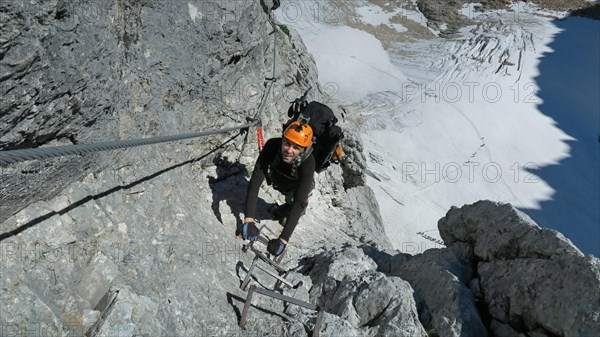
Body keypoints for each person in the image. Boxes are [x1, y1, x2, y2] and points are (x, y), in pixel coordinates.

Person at [237, 121, 315, 256]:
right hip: (278, 178)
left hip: (295, 187)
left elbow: (299, 201)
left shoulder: (308, 162)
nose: (289, 150)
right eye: (287, 143)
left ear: (303, 150)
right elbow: (255, 181)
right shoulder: (272, 145)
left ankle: (285, 209)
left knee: (292, 207)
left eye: (296, 147)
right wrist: (248, 220)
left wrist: (283, 240)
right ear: (282, 140)